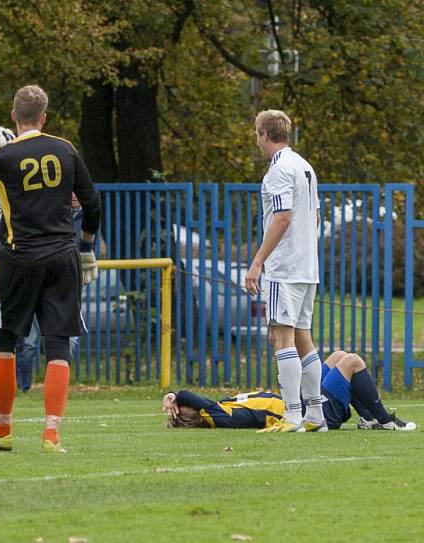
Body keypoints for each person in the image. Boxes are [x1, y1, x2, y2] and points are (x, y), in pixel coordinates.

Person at [0, 84, 101, 453]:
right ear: (45, 117)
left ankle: (2, 430)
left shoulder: (4, 154)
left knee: (4, 343)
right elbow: (92, 203)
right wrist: (88, 248)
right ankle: (51, 434)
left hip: (20, 257)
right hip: (63, 257)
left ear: (14, 116)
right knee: (58, 344)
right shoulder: (66, 149)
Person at [244, 110, 326, 433]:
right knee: (303, 336)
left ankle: (292, 415)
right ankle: (316, 414)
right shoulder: (306, 167)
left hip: (284, 267)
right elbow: (315, 217)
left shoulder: (278, 170)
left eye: (257, 134)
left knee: (282, 337)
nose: (257, 139)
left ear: (265, 134)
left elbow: (282, 217)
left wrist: (258, 261)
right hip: (307, 267)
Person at [163, 351, 416, 431]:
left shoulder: (219, 409)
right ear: (195, 411)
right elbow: (190, 395)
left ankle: (369, 419)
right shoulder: (215, 416)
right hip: (316, 414)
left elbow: (200, 401)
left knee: (338, 356)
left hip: (305, 404)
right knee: (352, 362)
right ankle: (384, 420)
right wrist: (176, 396)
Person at [0, 192, 85, 392]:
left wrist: (86, 251)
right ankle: (24, 389)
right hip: (23, 283)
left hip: (58, 282)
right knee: (22, 342)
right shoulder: (5, 212)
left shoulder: (62, 211)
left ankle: (15, 419)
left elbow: (92, 207)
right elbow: (2, 253)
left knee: (63, 342)